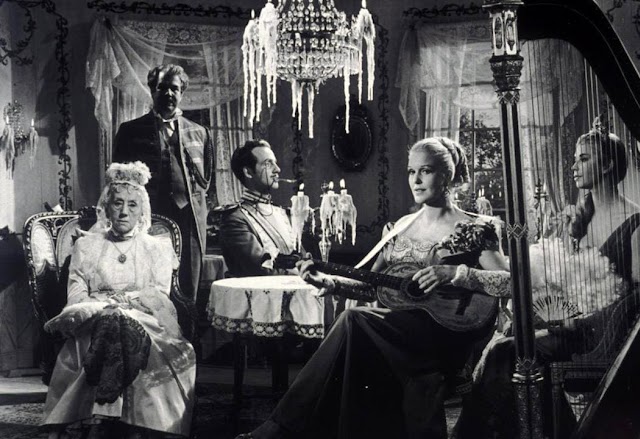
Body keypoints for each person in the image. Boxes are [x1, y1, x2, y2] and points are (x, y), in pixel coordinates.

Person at [235, 137, 510, 439]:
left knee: (354, 320)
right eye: (411, 171)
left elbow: (509, 282)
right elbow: (371, 285)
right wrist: (329, 282)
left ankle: (279, 428)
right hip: (395, 331)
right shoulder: (400, 227)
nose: (416, 180)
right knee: (358, 336)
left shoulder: (474, 228)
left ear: (448, 175)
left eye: (426, 171)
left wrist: (456, 273)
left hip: (446, 334)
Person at [453, 123, 640, 438]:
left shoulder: (637, 222)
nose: (574, 166)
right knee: (507, 343)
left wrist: (581, 322)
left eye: (584, 159)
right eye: (574, 159)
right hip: (566, 323)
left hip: (601, 330)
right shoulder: (578, 217)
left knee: (508, 352)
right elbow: (559, 278)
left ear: (607, 165)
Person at [41, 161, 196, 438]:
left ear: (142, 211)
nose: (124, 211)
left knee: (120, 322)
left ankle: (103, 416)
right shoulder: (86, 246)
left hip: (146, 320)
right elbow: (76, 295)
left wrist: (122, 306)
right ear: (107, 207)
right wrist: (106, 309)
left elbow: (158, 295)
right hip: (93, 318)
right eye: (118, 203)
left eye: (132, 205)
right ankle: (114, 417)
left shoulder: (156, 248)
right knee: (111, 321)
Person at [113, 63, 214, 319]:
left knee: (188, 282)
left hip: (189, 219)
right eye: (162, 87)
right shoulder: (130, 131)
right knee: (151, 281)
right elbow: (118, 184)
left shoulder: (200, 133)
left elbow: (205, 181)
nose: (169, 93)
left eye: (175, 88)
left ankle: (188, 335)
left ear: (182, 93)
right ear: (152, 90)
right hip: (150, 218)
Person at [219, 139, 297, 277]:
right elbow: (258, 271)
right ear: (248, 172)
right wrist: (301, 274)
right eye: (268, 164)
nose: (277, 169)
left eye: (275, 163)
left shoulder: (282, 213)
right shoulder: (234, 219)